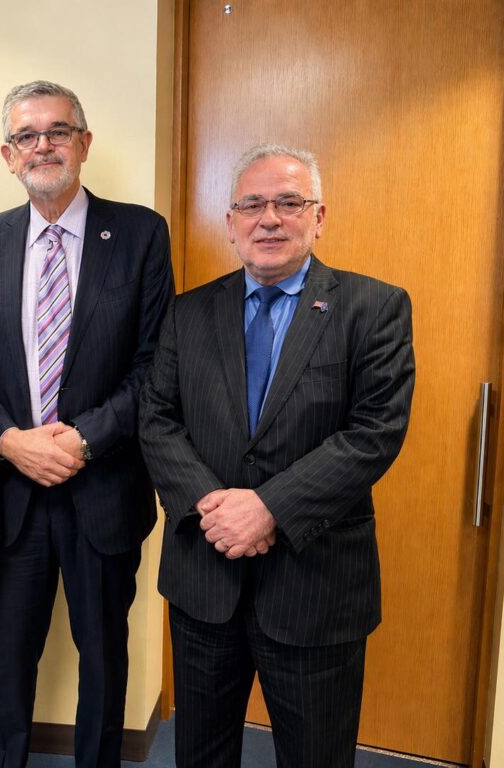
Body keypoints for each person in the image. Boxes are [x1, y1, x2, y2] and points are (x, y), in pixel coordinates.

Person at [139, 143, 415, 767]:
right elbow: (156, 418)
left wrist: (267, 508)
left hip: (314, 587)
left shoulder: (373, 308)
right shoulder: (187, 313)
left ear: (319, 217)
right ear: (230, 222)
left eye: (289, 202)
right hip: (205, 580)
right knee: (200, 754)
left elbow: (374, 431)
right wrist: (212, 506)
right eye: (252, 205)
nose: (269, 219)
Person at [0, 80, 174, 767]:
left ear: (84, 142)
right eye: (26, 135)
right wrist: (9, 440)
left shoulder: (140, 234)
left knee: (104, 661)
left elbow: (155, 365)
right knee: (7, 663)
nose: (42, 145)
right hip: (10, 497)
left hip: (102, 490)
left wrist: (82, 438)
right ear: (8, 155)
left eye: (57, 131)